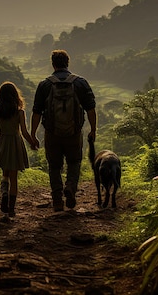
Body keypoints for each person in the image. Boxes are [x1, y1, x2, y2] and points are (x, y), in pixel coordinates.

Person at [30, 49, 96, 211]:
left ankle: (57, 198)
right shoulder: (80, 82)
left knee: (54, 166)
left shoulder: (45, 84)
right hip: (74, 133)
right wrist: (93, 129)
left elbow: (37, 112)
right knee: (74, 162)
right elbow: (91, 109)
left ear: (53, 64)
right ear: (68, 63)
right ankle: (71, 188)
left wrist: (33, 134)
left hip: (52, 134)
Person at [0, 81, 35, 217]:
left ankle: (4, 192)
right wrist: (32, 143)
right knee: (14, 177)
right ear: (16, 96)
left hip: (3, 143)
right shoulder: (20, 112)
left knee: (5, 174)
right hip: (15, 143)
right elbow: (24, 132)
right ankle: (11, 209)